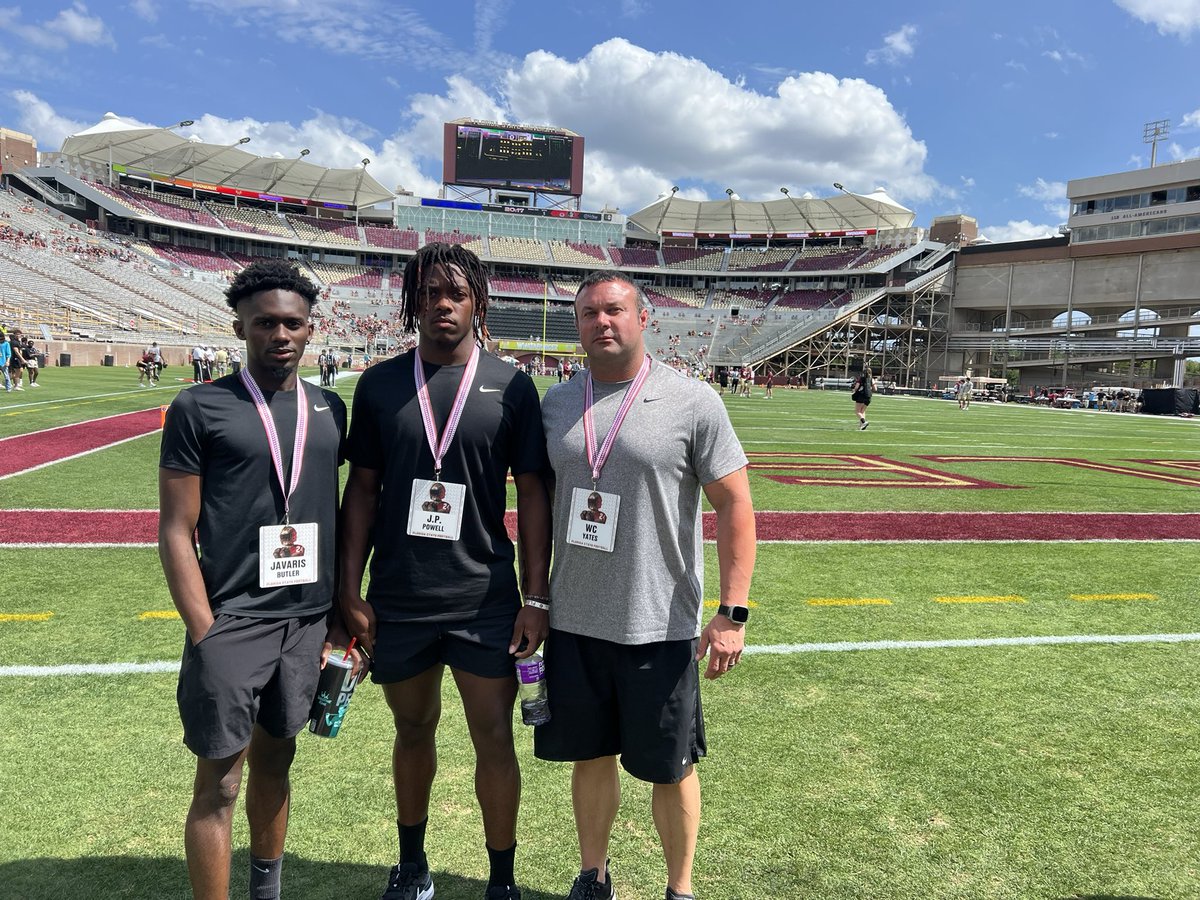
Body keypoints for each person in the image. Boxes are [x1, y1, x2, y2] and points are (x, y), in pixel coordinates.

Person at [339, 242, 552, 900]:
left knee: (494, 736)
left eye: (453, 293)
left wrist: (536, 597)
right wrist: (349, 588)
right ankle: (414, 865)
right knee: (412, 729)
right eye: (428, 293)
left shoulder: (512, 385)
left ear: (477, 302)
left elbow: (534, 493)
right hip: (398, 599)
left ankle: (503, 882)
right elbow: (362, 493)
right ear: (412, 303)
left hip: (484, 596)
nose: (440, 304)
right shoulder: (378, 384)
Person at [536, 270, 756, 900]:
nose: (600, 323)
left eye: (613, 311)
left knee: (671, 764)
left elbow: (736, 508)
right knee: (590, 755)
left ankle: (680, 888)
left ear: (642, 319)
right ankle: (593, 875)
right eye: (587, 314)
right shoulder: (556, 402)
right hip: (574, 617)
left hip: (661, 623)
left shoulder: (692, 400)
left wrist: (732, 613)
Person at [158, 259, 356, 900]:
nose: (280, 335)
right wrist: (205, 630)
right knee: (217, 784)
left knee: (278, 762)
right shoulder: (199, 405)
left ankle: (266, 891)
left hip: (306, 621)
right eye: (266, 322)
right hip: (233, 619)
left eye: (293, 324)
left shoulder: (329, 406)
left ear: (309, 329)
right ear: (239, 324)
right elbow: (174, 530)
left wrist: (336, 611)